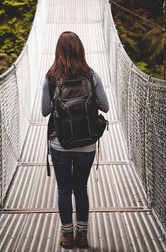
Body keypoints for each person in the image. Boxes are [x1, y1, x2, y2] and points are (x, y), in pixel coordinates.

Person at [42, 31, 109, 249]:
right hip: (86, 144)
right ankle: (82, 235)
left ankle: (67, 236)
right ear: (80, 50)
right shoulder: (92, 76)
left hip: (59, 143)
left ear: (58, 51)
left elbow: (44, 111)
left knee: (63, 189)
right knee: (80, 187)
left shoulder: (51, 78)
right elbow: (105, 107)